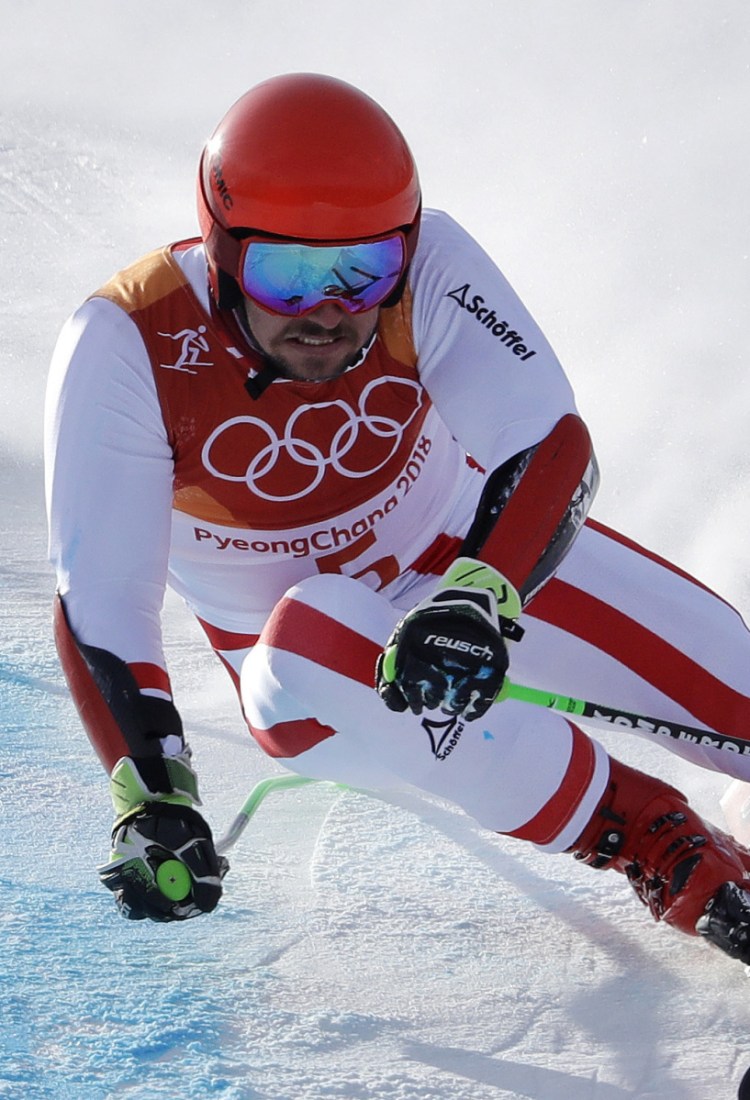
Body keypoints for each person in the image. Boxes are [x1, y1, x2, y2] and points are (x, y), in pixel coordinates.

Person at [45, 72, 750, 961]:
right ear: (223, 249)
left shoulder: (433, 269)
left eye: (365, 267)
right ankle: (653, 836)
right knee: (314, 625)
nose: (330, 308)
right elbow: (101, 600)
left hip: (468, 567)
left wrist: (477, 595)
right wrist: (156, 795)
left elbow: (550, 445)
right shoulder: (128, 341)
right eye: (288, 274)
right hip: (310, 681)